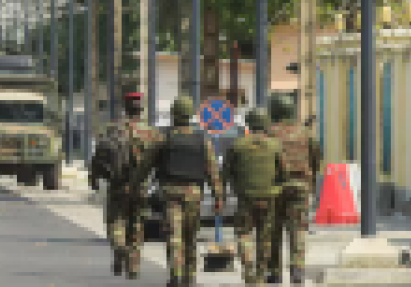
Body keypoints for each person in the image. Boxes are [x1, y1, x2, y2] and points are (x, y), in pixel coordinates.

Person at [133, 94, 225, 287]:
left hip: (171, 193)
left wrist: (135, 185)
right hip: (194, 195)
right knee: (190, 239)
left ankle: (175, 276)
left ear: (174, 113)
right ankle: (189, 278)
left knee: (174, 237)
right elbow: (212, 171)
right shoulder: (202, 140)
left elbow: (145, 165)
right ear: (190, 114)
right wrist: (218, 197)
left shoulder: (163, 138)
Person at [88, 92, 161, 280]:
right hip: (141, 188)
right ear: (141, 109)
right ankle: (133, 267)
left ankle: (120, 248)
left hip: (117, 185)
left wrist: (93, 178)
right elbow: (159, 161)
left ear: (125, 107)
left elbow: (99, 156)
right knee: (137, 225)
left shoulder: (113, 129)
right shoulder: (151, 133)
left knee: (115, 222)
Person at [223, 108, 285, 285]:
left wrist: (221, 195)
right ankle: (260, 275)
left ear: (249, 123)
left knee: (244, 235)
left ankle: (248, 271)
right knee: (265, 237)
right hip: (268, 198)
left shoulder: (237, 145)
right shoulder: (275, 145)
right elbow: (284, 172)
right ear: (265, 123)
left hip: (245, 198)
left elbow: (225, 172)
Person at [267, 94, 322, 285]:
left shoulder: (269, 133)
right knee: (297, 231)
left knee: (273, 230)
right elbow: (316, 160)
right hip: (300, 187)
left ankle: (274, 272)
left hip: (274, 187)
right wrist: (310, 182)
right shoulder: (305, 133)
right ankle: (297, 271)